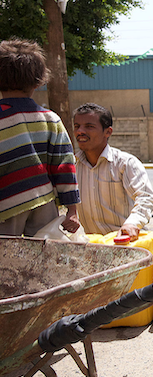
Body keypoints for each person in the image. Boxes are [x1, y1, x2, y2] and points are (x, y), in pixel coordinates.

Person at [0, 38, 81, 237]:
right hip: (43, 203)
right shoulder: (50, 119)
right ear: (38, 81)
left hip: (5, 204)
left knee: (6, 261)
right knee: (41, 260)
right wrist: (72, 210)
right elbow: (64, 165)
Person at [72, 103, 153, 239]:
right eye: (77, 126)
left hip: (126, 243)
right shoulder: (72, 166)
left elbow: (146, 197)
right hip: (95, 246)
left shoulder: (125, 163)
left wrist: (132, 224)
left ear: (108, 132)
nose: (80, 131)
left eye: (89, 126)